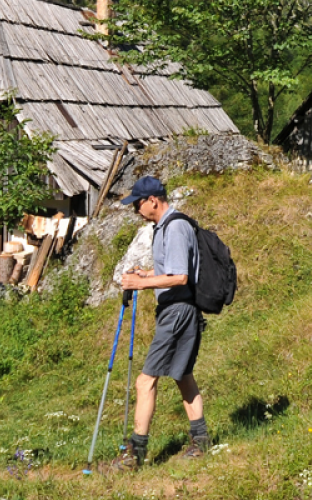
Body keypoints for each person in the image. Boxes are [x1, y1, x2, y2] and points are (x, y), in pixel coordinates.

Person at [114, 176, 210, 469]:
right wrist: (146, 274)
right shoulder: (163, 228)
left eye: (138, 205)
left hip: (178, 310)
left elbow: (180, 276)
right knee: (183, 375)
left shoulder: (176, 227)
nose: (136, 211)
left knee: (146, 381)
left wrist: (140, 285)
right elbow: (170, 269)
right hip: (179, 308)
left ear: (153, 200)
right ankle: (202, 442)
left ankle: (134, 454)